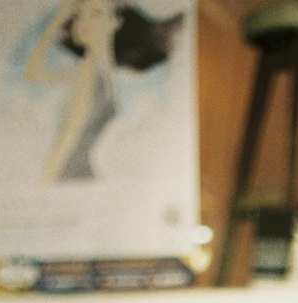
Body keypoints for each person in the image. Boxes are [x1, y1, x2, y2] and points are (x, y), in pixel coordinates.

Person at [24, 0, 184, 184]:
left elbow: (69, 135)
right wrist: (57, 20)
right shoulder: (97, 70)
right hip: (77, 173)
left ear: (115, 22)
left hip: (68, 173)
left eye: (96, 13)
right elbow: (32, 74)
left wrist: (46, 181)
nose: (84, 22)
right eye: (80, 16)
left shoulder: (94, 70)